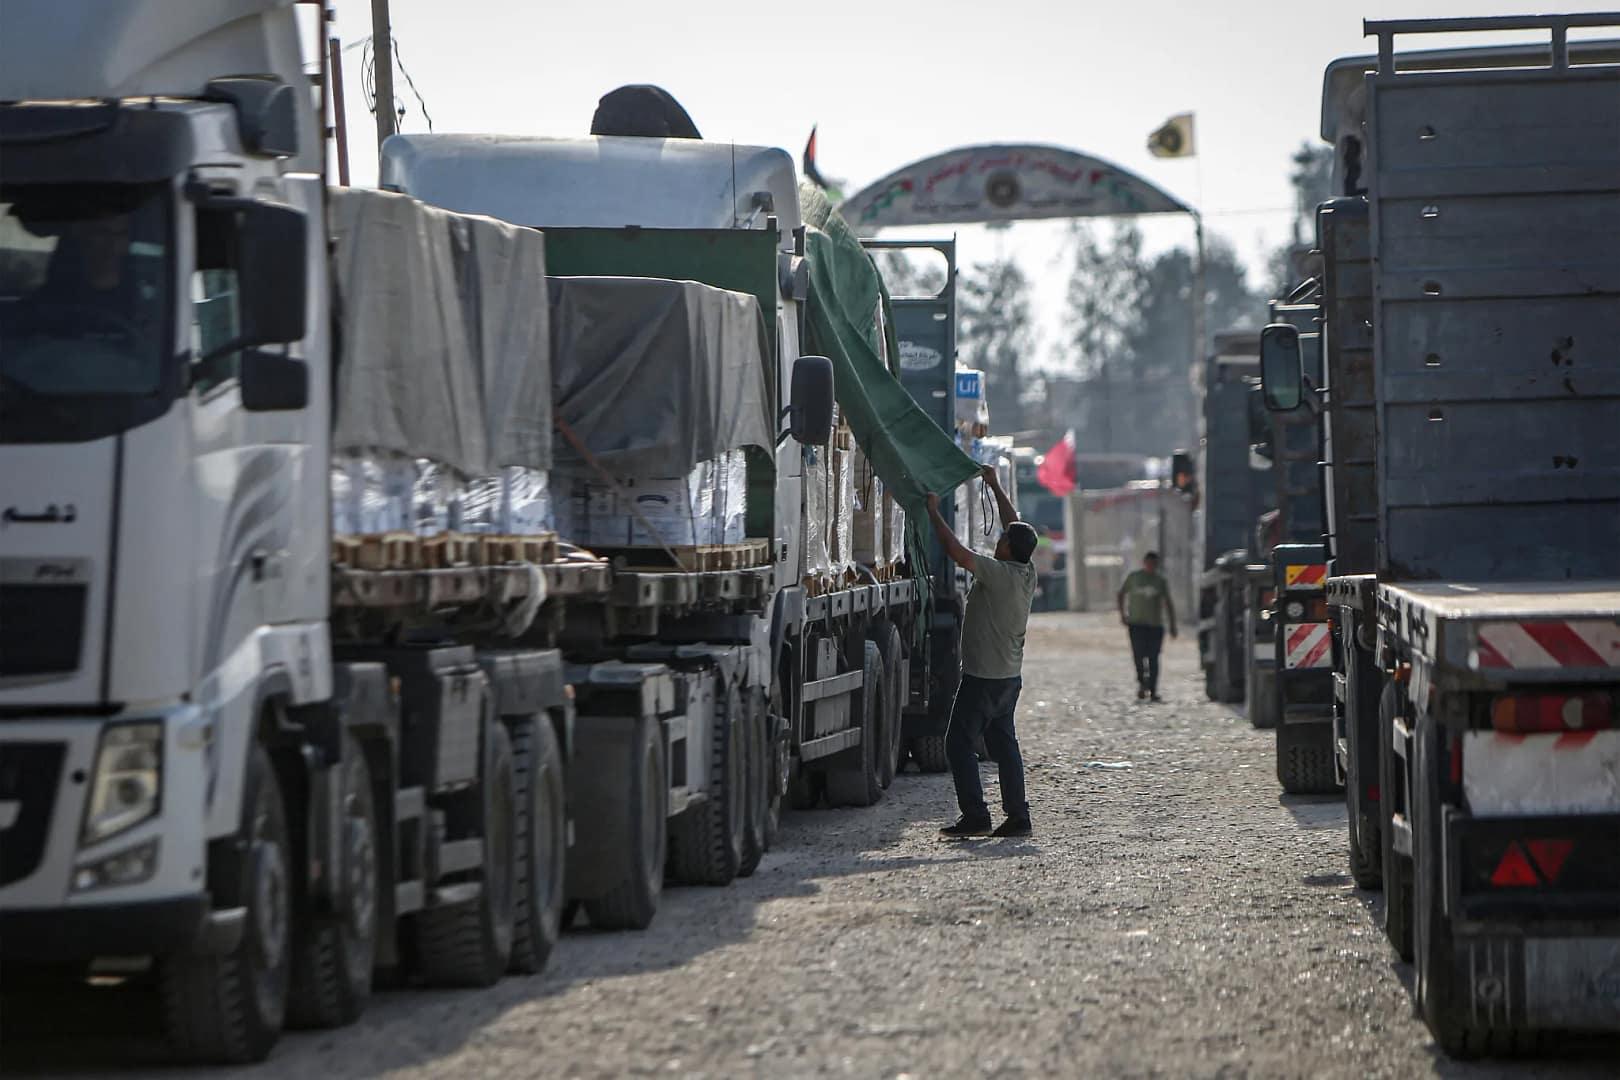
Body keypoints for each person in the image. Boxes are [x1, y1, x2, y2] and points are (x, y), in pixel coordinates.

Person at [925, 465, 1039, 839]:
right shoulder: (1026, 572)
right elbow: (1015, 525)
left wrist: (933, 512)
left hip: (983, 679)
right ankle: (1018, 816)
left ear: (1008, 549)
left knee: (957, 742)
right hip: (1008, 678)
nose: (999, 539)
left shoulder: (997, 572)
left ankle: (976, 815)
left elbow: (957, 553)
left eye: (1003, 539)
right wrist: (995, 485)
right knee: (1004, 744)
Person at [1117, 551, 1177, 702]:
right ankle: (1142, 683)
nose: (1151, 566)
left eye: (1154, 564)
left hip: (1155, 625)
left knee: (1153, 658)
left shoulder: (1160, 581)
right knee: (1139, 656)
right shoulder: (1134, 577)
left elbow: (1168, 603)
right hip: (1136, 624)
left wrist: (1172, 625)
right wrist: (1122, 614)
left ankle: (1153, 689)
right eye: (1149, 563)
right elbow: (1121, 594)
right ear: (1144, 563)